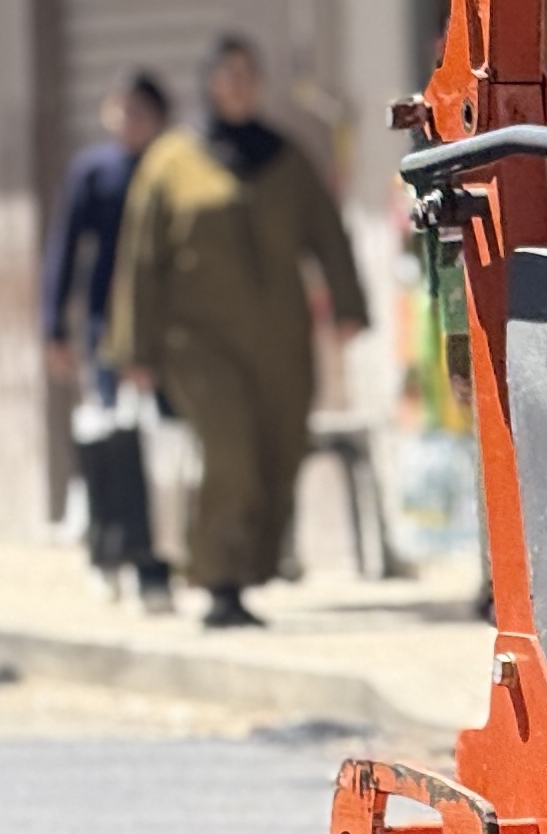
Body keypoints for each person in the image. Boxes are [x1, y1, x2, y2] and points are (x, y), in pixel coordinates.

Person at [111, 34, 369, 630]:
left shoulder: (286, 157)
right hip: (197, 342)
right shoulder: (170, 163)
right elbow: (140, 262)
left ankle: (250, 572)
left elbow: (327, 234)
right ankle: (218, 579)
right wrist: (133, 349)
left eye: (248, 75)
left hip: (279, 338)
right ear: (207, 82)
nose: (238, 86)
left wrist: (348, 306)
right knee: (230, 454)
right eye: (228, 75)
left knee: (280, 450)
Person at [44, 69, 173, 609]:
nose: (128, 122)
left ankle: (157, 564)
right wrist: (53, 327)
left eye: (139, 111)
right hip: (108, 332)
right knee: (112, 445)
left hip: (168, 333)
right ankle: (108, 551)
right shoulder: (93, 172)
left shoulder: (173, 170)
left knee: (165, 455)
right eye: (120, 110)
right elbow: (65, 250)